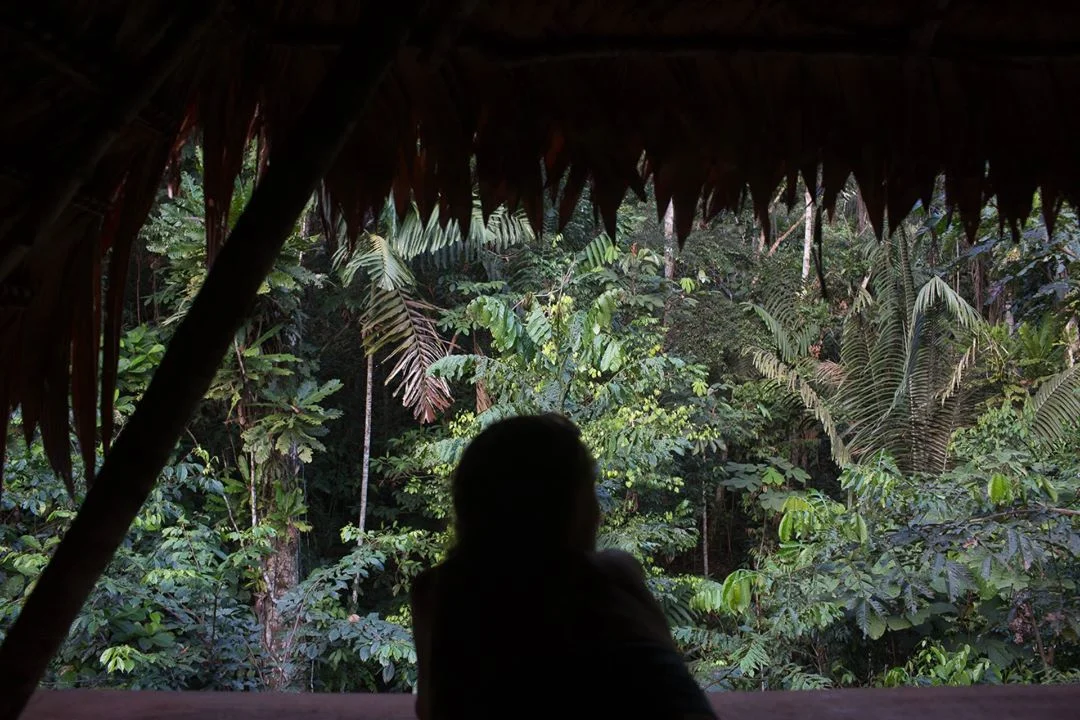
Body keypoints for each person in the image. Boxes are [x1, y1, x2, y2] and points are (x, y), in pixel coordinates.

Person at [410, 413, 717, 719]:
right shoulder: (615, 577)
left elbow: (431, 708)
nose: (599, 514)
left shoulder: (438, 593)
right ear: (572, 509)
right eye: (589, 493)